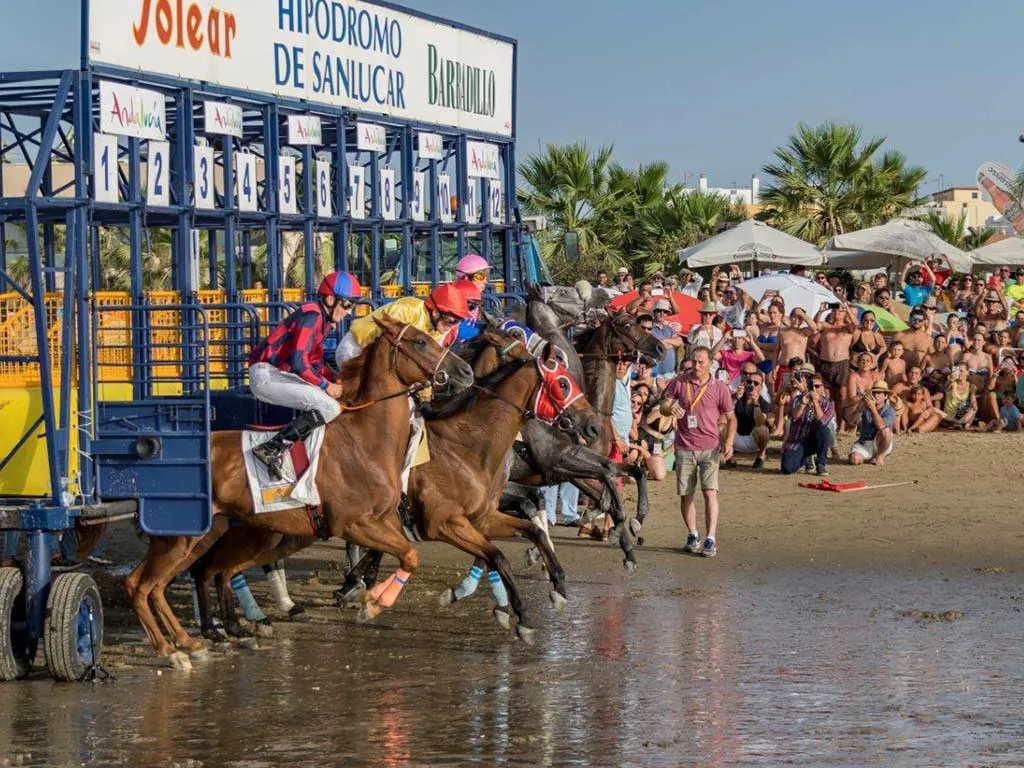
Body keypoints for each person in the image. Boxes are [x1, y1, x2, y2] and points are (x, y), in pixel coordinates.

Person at [247, 271, 362, 479]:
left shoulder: (322, 321)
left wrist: (337, 378)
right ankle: (271, 448)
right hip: (266, 375)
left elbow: (316, 362)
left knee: (330, 403)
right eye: (346, 305)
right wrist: (327, 386)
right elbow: (299, 362)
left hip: (275, 374)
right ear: (330, 299)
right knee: (329, 406)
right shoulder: (312, 315)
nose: (348, 312)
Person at [659, 347, 736, 557]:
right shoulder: (681, 381)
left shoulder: (719, 388)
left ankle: (711, 538)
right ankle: (692, 534)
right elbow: (664, 404)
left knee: (710, 492)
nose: (696, 366)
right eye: (694, 361)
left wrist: (729, 442)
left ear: (711, 363)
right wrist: (669, 408)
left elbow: (731, 417)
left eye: (701, 362)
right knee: (686, 494)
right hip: (684, 446)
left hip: (710, 447)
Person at [336, 282, 470, 364]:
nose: (453, 326)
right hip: (355, 349)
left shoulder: (439, 329)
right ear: (435, 312)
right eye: (452, 320)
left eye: (459, 321)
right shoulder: (408, 309)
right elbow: (383, 345)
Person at [780, 371, 835, 476]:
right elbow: (793, 416)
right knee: (787, 469)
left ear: (823, 388)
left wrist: (814, 402)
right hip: (798, 441)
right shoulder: (797, 400)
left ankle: (821, 464)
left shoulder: (829, 404)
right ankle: (806, 458)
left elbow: (822, 421)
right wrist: (803, 404)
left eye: (818, 386)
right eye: (812, 386)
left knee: (824, 430)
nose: (814, 389)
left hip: (814, 440)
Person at [815, 304, 857, 406]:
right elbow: (815, 324)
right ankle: (826, 419)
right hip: (825, 363)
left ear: (844, 313)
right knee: (824, 395)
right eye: (834, 310)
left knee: (842, 396)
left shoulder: (847, 328)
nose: (837, 313)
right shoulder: (825, 326)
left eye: (840, 311)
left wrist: (847, 309)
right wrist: (820, 311)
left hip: (841, 364)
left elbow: (855, 324)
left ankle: (840, 421)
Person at [729, 369, 771, 469]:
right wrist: (735, 397)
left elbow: (760, 422)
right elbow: (724, 413)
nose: (751, 385)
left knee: (763, 429)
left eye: (756, 383)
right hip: (736, 438)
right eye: (749, 382)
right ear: (744, 383)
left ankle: (761, 456)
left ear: (760, 387)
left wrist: (756, 403)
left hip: (754, 441)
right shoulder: (736, 397)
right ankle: (730, 458)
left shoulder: (764, 402)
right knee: (721, 426)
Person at [849, 381, 896, 466]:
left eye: (879, 393)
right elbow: (851, 422)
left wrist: (873, 409)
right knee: (854, 460)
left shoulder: (890, 410)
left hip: (881, 442)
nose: (875, 395)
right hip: (865, 442)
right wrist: (859, 410)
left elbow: (881, 426)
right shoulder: (865, 406)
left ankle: (880, 456)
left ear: (886, 396)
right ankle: (870, 457)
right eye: (874, 392)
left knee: (886, 431)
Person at [648, 300, 683, 378]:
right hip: (654, 374)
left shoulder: (669, 329)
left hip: (670, 373)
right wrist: (671, 343)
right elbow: (656, 346)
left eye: (664, 311)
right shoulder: (649, 328)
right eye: (659, 311)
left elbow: (679, 341)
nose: (662, 313)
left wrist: (664, 341)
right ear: (654, 312)